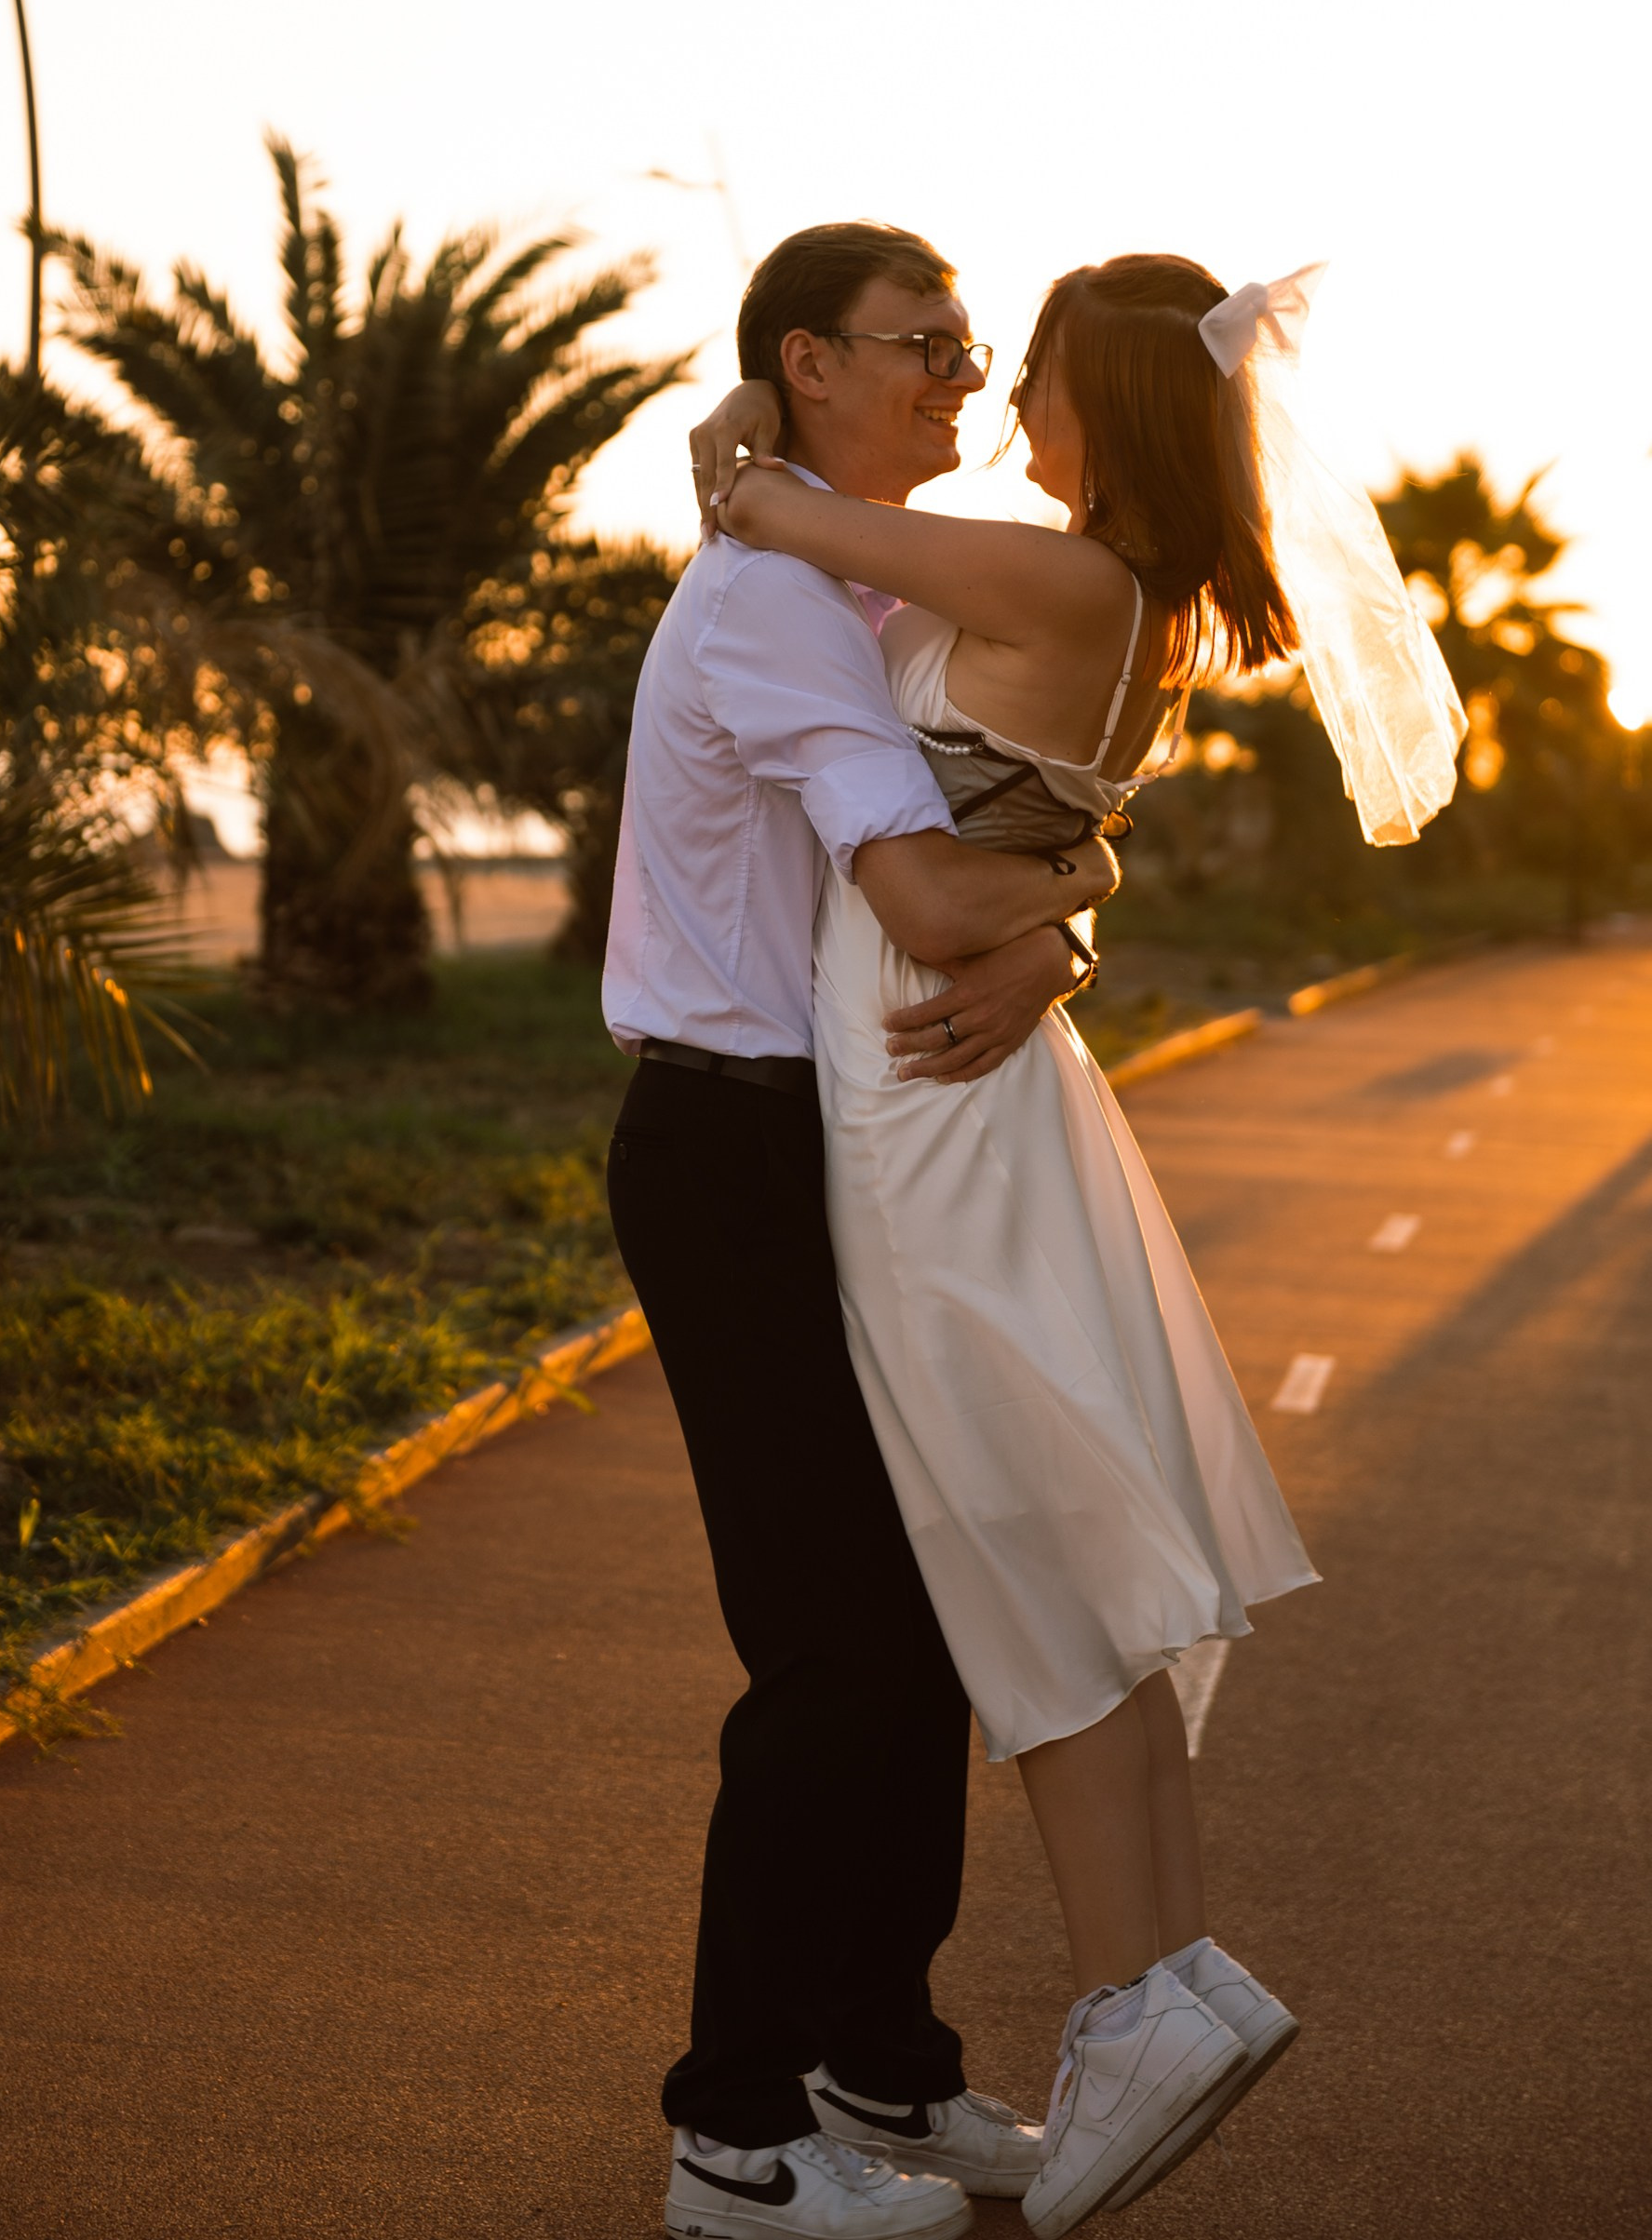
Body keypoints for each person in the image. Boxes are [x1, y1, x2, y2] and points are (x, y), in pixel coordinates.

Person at [691, 247, 1464, 2236]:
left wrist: (747, 435)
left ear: (1101, 406)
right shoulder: (1141, 605)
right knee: (1045, 1531)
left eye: (1013, 368)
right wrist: (1076, 905)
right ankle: (1161, 1979)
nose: (995, 398)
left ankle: (1138, 1998)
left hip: (923, 1094)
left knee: (1012, 1536)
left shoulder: (1044, 576)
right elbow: (1053, 821)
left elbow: (767, 506)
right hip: (973, 1085)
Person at [603, 222, 1117, 2240]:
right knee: (833, 1646)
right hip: (731, 1152)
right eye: (923, 345)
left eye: (972, 344)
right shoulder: (776, 598)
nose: (966, 375)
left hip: (832, 1145)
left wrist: (1063, 916)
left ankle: (874, 2064)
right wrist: (1069, 922)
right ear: (811, 361)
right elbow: (923, 903)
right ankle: (731, 2136)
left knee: (914, 1630)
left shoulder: (824, 560)